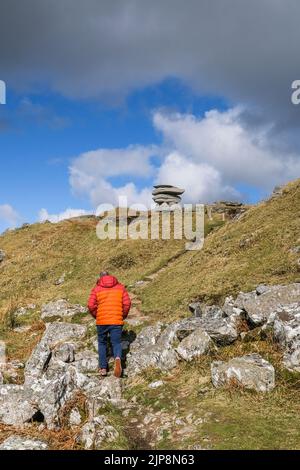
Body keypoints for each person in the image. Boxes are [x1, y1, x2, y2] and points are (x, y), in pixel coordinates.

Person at [87, 271, 131, 378]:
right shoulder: (120, 288)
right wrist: (122, 315)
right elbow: (127, 303)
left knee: (102, 342)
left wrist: (96, 315)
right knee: (116, 343)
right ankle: (117, 359)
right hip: (116, 320)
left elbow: (90, 305)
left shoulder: (96, 289)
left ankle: (103, 368)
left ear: (100, 278)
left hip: (102, 321)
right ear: (111, 276)